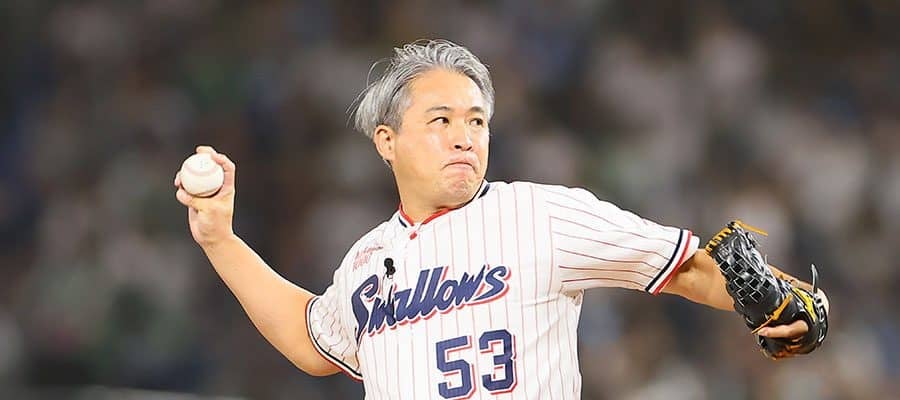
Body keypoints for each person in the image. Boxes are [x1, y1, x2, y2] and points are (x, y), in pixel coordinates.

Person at [174, 39, 828, 399]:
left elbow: (688, 268)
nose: (464, 136)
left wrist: (784, 300)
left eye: (477, 121)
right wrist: (220, 239)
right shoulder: (366, 260)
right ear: (386, 142)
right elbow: (310, 337)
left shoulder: (540, 213)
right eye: (441, 120)